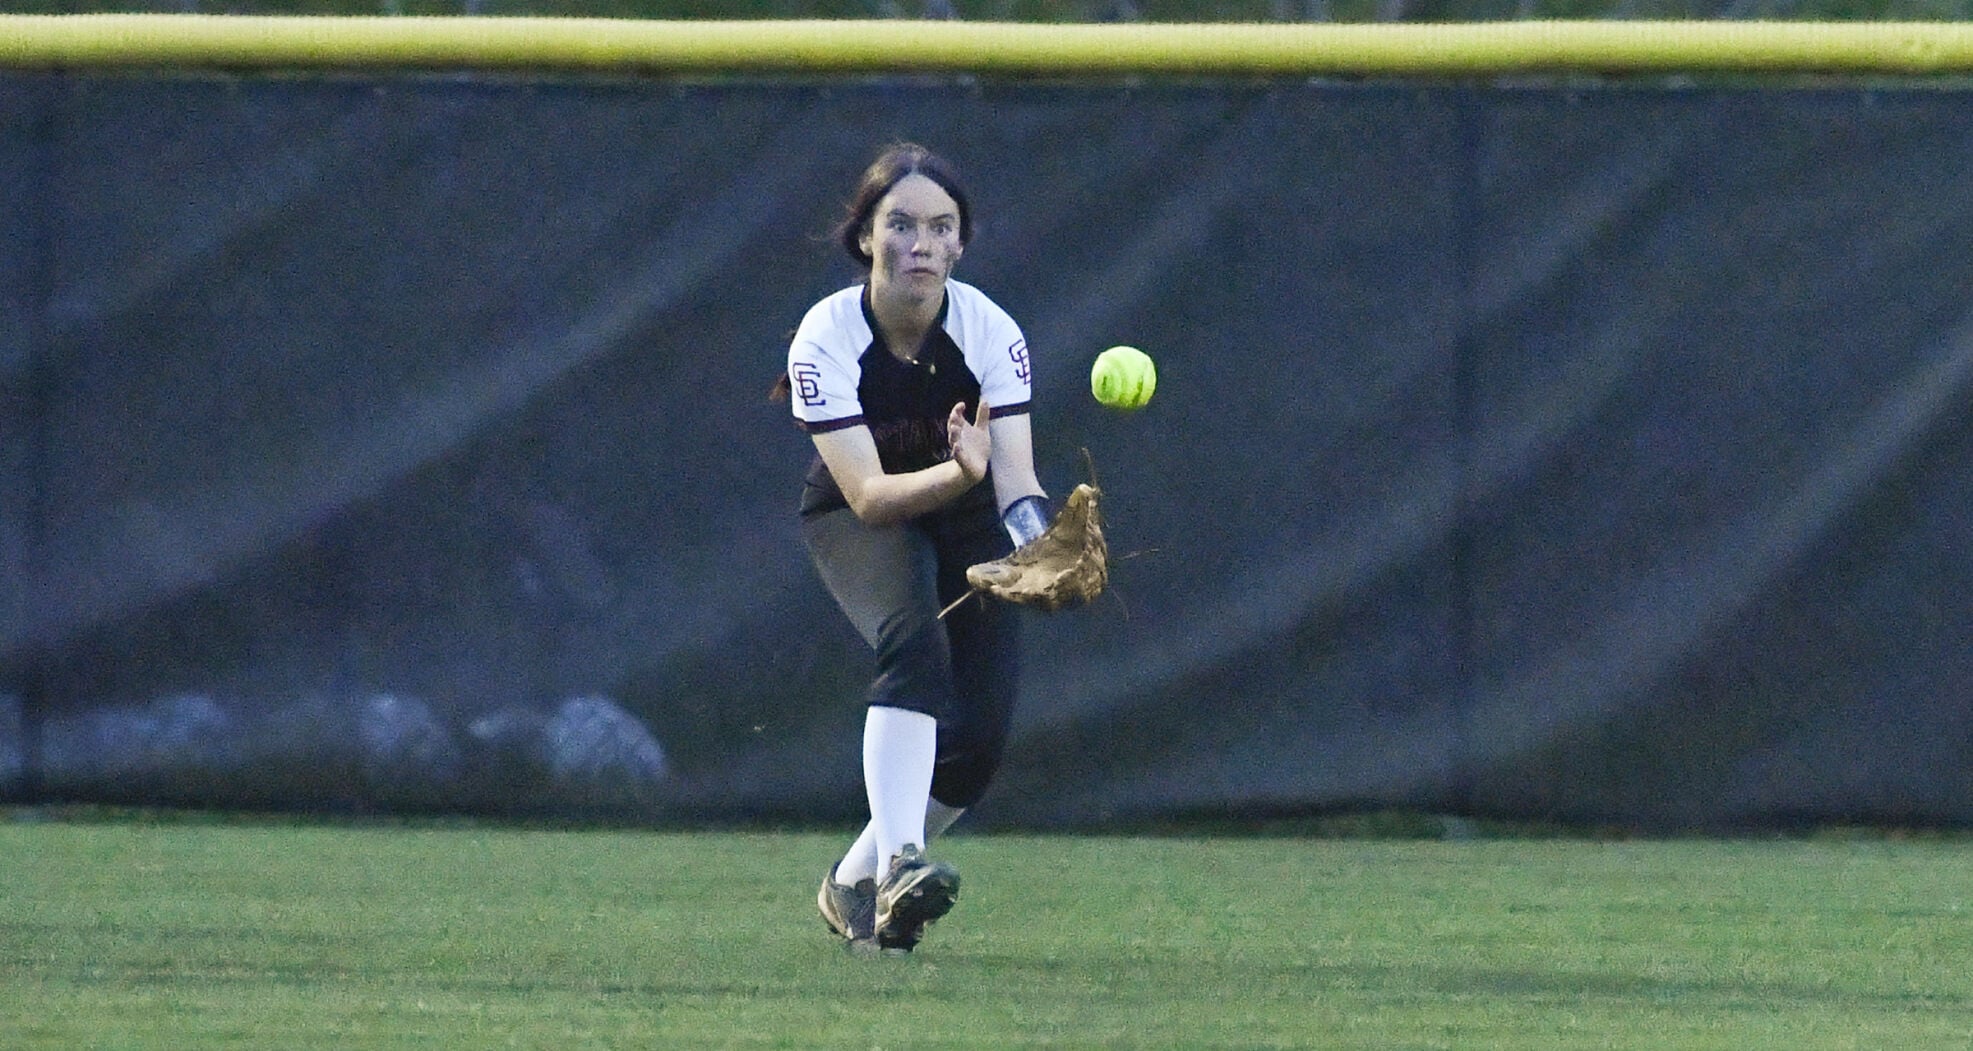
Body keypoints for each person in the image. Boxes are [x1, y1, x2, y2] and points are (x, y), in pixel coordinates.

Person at [780, 143, 1049, 955]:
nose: (920, 243)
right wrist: (953, 469)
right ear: (866, 236)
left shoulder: (988, 330)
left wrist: (1043, 546)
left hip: (965, 514)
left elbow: (1015, 481)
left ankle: (855, 881)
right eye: (900, 224)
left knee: (977, 746)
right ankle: (902, 859)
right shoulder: (825, 335)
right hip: (861, 515)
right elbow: (867, 495)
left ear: (960, 245)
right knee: (913, 645)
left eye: (941, 227)